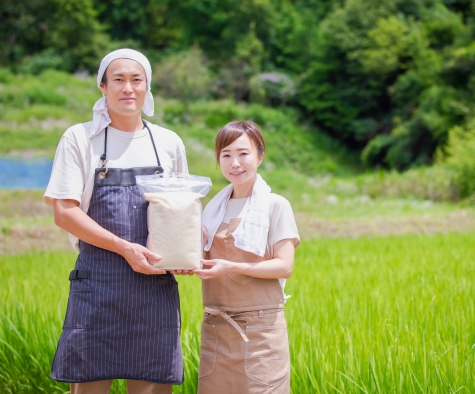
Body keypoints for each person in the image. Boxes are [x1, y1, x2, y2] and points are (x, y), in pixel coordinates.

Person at [44, 48, 192, 394]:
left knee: (152, 387)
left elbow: (181, 213)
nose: (128, 87)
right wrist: (125, 248)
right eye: (118, 79)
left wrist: (186, 254)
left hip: (153, 287)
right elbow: (64, 212)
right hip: (98, 285)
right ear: (102, 86)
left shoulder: (168, 143)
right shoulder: (80, 138)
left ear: (147, 86)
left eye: (136, 80)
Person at [194, 121, 300, 394]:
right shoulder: (211, 210)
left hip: (261, 330)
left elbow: (284, 266)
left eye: (243, 153)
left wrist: (232, 266)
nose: (235, 162)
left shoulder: (275, 204)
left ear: (260, 156)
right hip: (217, 326)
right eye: (226, 155)